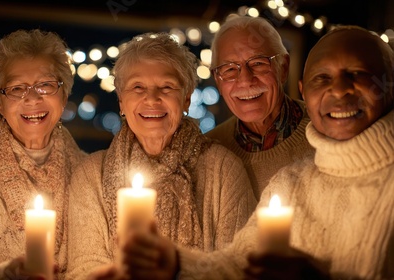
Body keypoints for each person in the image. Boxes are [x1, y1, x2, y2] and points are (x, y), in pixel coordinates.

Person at [120, 26, 394, 280]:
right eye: (322, 78)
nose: (339, 89)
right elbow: (237, 264)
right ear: (305, 90)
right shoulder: (291, 183)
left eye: (358, 74)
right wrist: (177, 264)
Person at [66, 32, 257, 279]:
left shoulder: (224, 169)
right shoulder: (91, 175)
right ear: (121, 101)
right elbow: (85, 269)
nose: (152, 98)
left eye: (167, 87)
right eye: (138, 87)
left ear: (186, 99)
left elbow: (238, 268)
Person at [0, 29, 86, 279]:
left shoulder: (89, 174)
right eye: (17, 88)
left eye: (45, 85)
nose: (32, 98)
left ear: (63, 96)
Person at [206, 15, 314, 200]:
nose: (246, 80)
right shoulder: (209, 152)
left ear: (283, 68)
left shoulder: (325, 133)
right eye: (230, 69)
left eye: (258, 63)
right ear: (217, 80)